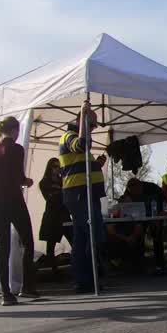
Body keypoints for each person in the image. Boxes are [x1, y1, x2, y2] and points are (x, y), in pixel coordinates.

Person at [0, 116, 38, 305]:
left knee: (3, 247)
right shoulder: (17, 149)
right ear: (14, 130)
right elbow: (19, 177)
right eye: (18, 131)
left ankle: (6, 294)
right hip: (14, 200)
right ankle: (27, 286)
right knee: (28, 242)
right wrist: (27, 182)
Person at [59, 100, 107, 293]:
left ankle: (83, 279)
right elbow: (81, 144)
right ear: (81, 120)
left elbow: (80, 163)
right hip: (78, 195)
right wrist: (83, 114)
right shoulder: (68, 136)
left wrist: (97, 165)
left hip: (84, 193)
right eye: (91, 124)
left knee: (81, 238)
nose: (93, 128)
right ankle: (87, 277)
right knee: (93, 234)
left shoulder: (76, 137)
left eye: (94, 126)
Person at [119, 176, 167, 274]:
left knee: (157, 235)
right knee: (137, 232)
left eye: (135, 191)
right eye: (131, 192)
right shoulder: (129, 190)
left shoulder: (153, 188)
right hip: (140, 217)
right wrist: (124, 200)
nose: (134, 194)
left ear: (140, 186)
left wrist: (159, 216)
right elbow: (122, 202)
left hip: (155, 215)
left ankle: (160, 264)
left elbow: (164, 201)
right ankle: (138, 264)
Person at [37, 158, 69, 276]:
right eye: (54, 166)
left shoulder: (62, 180)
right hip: (52, 215)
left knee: (74, 238)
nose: (57, 169)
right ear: (49, 168)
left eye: (58, 166)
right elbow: (50, 198)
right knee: (50, 245)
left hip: (63, 215)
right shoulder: (44, 182)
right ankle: (54, 271)